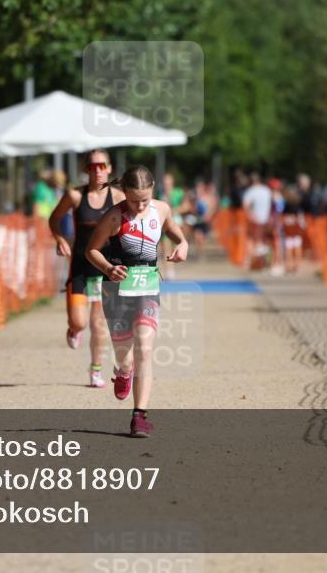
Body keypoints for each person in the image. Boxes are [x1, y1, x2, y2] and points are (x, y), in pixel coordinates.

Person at [85, 165, 188, 437]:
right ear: (124, 194)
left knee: (144, 346)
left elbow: (173, 230)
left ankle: (139, 416)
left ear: (153, 191)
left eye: (144, 199)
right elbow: (91, 250)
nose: (140, 205)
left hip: (148, 286)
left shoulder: (161, 209)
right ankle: (123, 370)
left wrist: (183, 244)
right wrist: (108, 268)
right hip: (116, 290)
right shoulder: (114, 216)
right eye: (133, 200)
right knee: (125, 354)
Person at [48, 150, 125, 388]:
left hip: (105, 266)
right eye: (93, 166)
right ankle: (74, 330)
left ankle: (95, 370)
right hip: (81, 267)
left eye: (102, 165)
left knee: (99, 323)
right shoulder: (74, 196)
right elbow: (54, 219)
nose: (98, 170)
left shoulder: (119, 197)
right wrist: (59, 239)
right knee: (80, 322)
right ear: (86, 170)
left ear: (109, 168)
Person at [241, 172, 272, 270]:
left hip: (255, 220)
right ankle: (261, 263)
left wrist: (250, 215)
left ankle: (252, 262)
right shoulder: (267, 190)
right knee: (263, 241)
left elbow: (245, 206)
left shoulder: (251, 191)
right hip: (265, 220)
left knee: (252, 241)